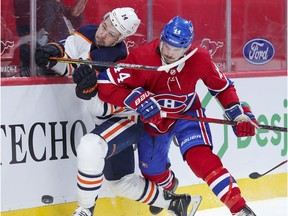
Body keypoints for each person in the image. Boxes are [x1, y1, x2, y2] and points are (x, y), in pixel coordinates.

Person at [34, 8, 198, 216]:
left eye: (112, 34)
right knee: (120, 182)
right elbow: (70, 56)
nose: (103, 34)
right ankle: (176, 203)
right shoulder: (87, 32)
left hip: (124, 118)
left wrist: (90, 93)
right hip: (104, 120)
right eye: (104, 26)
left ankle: (85, 209)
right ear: (102, 20)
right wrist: (52, 56)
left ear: (122, 38)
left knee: (91, 146)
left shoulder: (119, 61)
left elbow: (103, 106)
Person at [97, 16, 259, 216]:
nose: (170, 53)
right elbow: (105, 84)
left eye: (177, 49)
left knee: (201, 159)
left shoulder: (199, 57)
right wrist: (135, 98)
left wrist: (238, 114)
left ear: (187, 48)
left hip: (187, 115)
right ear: (161, 39)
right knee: (152, 172)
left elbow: (222, 87)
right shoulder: (142, 57)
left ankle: (239, 208)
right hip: (155, 122)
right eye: (166, 46)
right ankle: (170, 186)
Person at [13, 0, 86, 76]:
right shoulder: (38, 5)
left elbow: (71, 23)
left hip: (59, 64)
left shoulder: (57, 5)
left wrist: (74, 15)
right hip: (40, 65)